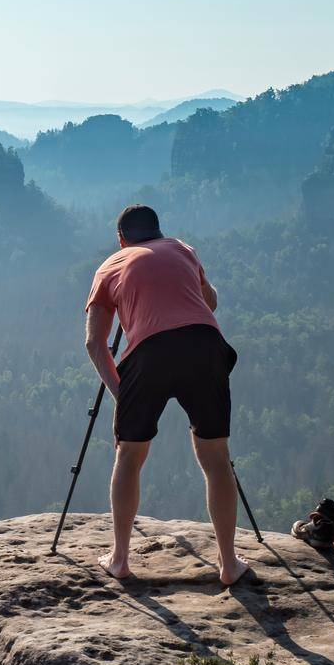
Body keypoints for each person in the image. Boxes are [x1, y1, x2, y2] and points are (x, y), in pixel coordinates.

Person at [83, 204, 247, 585]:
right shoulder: (182, 249)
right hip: (205, 347)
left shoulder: (110, 266)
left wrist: (120, 393)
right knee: (216, 457)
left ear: (121, 239)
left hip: (149, 354)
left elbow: (95, 342)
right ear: (158, 232)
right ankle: (228, 563)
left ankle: (120, 559)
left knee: (129, 455)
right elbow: (210, 303)